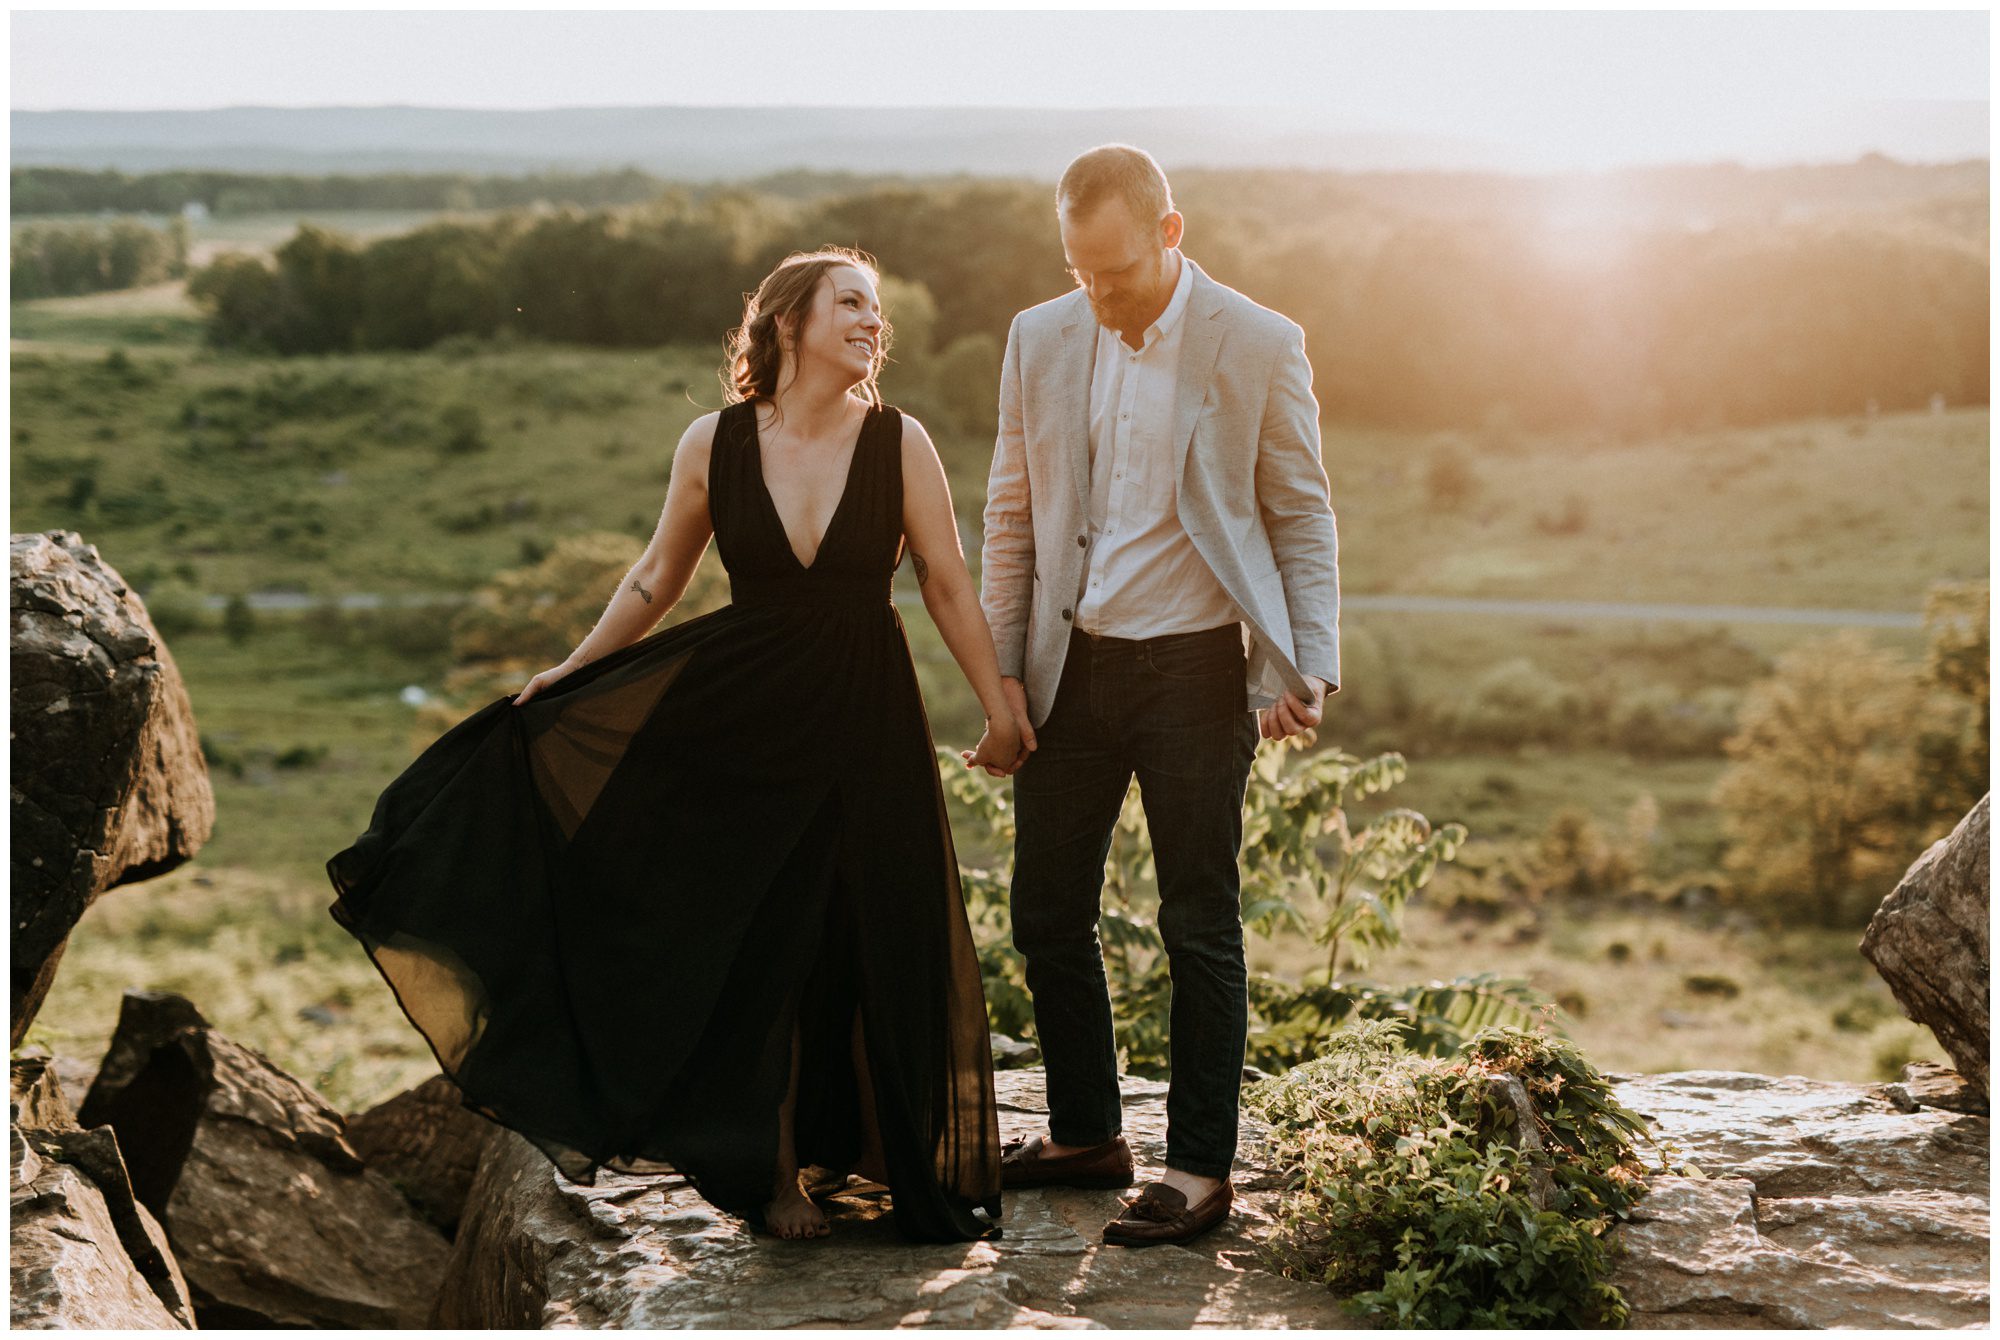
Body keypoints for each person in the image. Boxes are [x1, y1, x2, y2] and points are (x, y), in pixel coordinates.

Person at [328, 247, 1029, 1244]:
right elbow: (655, 577)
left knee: (870, 926)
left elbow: (947, 582)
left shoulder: (897, 440)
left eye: (876, 309)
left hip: (865, 715)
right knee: (765, 946)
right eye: (849, 303)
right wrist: (567, 675)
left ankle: (879, 1160)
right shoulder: (714, 442)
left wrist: (995, 705)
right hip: (741, 722)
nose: (872, 321)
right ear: (788, 322)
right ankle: (776, 1175)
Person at [979, 145, 1340, 1247]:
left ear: (1170, 233)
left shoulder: (1261, 341)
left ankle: (1197, 1166)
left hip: (1193, 671)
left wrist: (1302, 660)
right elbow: (1009, 512)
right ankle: (1086, 1130)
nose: (1097, 293)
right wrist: (1001, 678)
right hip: (1066, 668)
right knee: (1043, 911)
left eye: (1118, 272)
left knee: (1197, 921)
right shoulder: (1038, 336)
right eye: (1079, 271)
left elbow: (1299, 513)